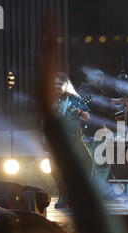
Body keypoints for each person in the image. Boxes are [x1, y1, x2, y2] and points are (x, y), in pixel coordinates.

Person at [43, 72, 91, 209]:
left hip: (73, 140)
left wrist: (80, 112)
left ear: (66, 85)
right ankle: (64, 194)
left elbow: (87, 116)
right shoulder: (50, 100)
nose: (57, 86)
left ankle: (75, 194)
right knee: (55, 169)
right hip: (55, 141)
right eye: (55, 84)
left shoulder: (75, 99)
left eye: (60, 84)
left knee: (85, 165)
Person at [79, 69, 123, 200]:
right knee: (101, 162)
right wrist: (114, 101)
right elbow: (93, 102)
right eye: (100, 78)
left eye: (103, 79)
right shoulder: (85, 91)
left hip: (93, 130)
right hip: (90, 131)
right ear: (91, 79)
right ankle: (103, 192)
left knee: (98, 163)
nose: (102, 81)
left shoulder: (94, 91)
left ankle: (92, 192)